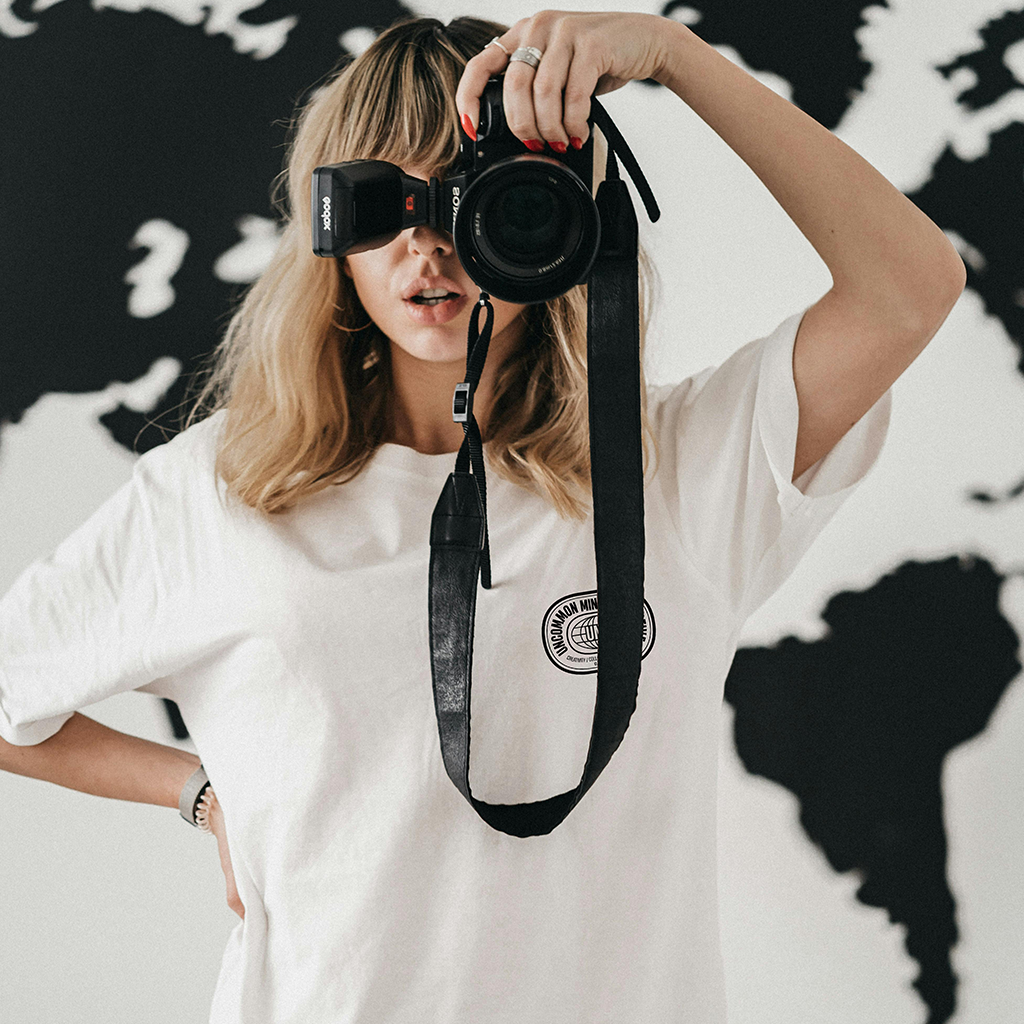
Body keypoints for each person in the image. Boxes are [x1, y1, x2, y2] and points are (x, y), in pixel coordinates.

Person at [0, 11, 964, 1024]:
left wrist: (673, 56)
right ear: (327, 229)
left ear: (554, 217)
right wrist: (199, 793)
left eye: (469, 196)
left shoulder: (676, 474)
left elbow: (908, 289)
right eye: (379, 201)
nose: (424, 244)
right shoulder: (217, 491)